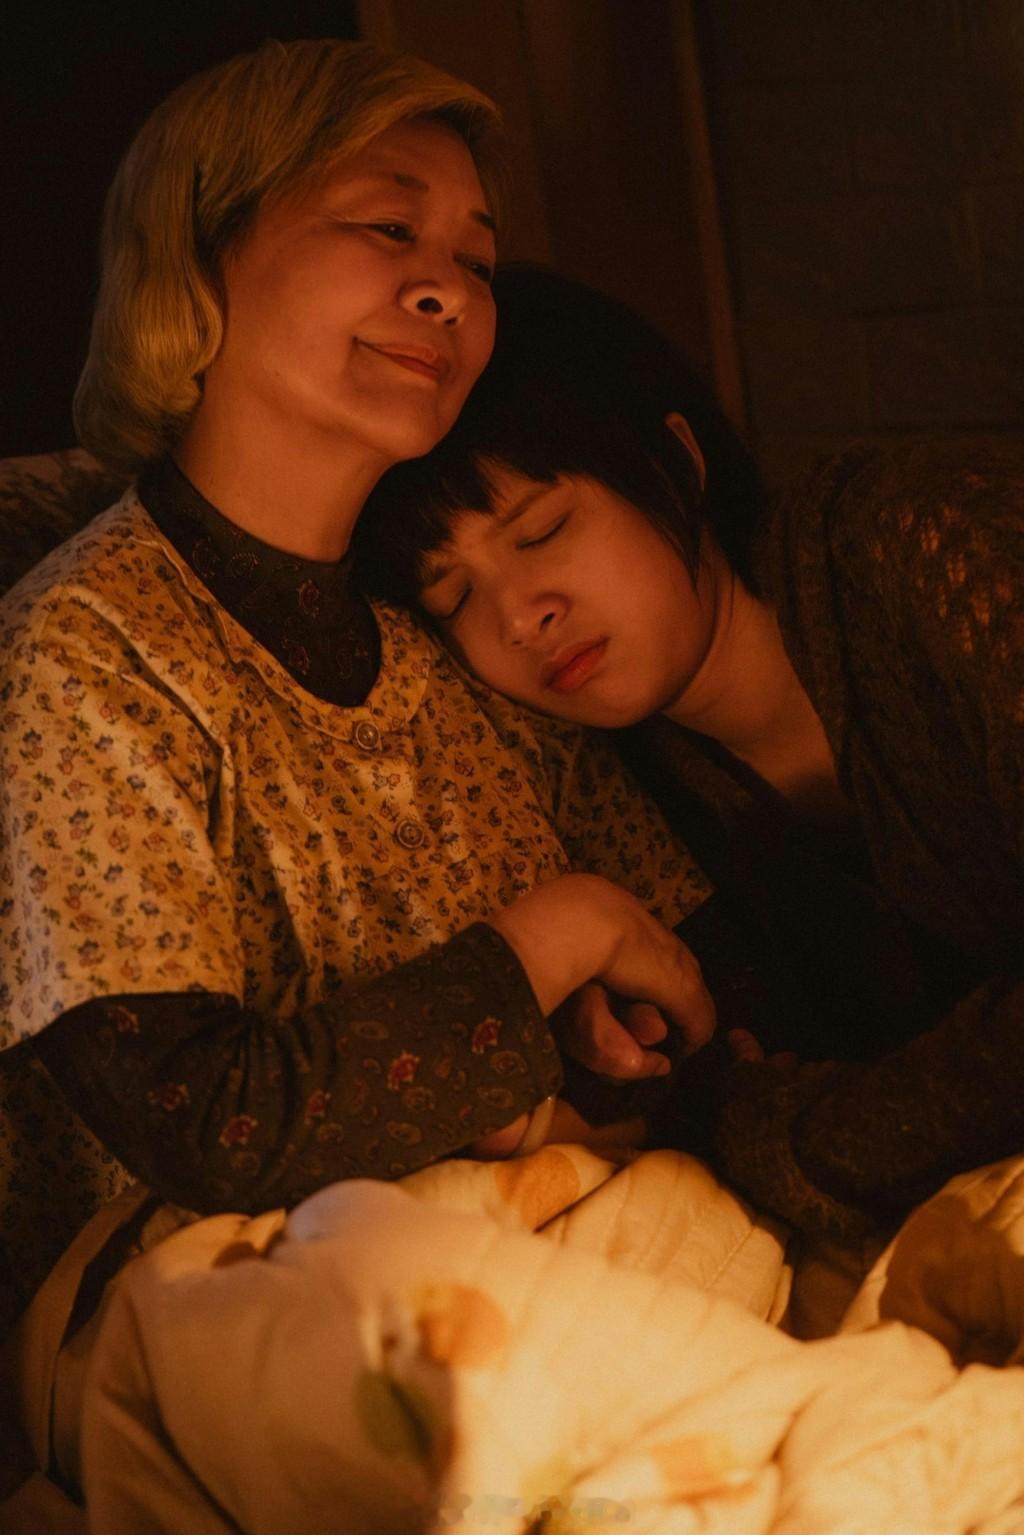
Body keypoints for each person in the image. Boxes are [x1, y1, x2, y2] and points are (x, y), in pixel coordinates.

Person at [0, 44, 718, 1356]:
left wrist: (590, 1047)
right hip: (227, 1326)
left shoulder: (453, 627)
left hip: (561, 1257)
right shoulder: (88, 648)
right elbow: (206, 1118)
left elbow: (695, 985)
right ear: (200, 255)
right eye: (391, 228)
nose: (447, 288)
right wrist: (557, 934)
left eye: (476, 259)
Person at [360, 262, 1024, 1242]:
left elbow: (771, 1117)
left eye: (541, 530)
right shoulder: (636, 793)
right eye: (454, 596)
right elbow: (729, 1082)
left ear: (675, 460)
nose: (519, 614)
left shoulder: (924, 540)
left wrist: (799, 1137)